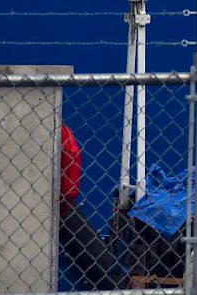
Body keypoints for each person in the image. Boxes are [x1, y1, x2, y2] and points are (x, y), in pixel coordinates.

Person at [59, 125, 127, 291]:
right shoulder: (61, 133)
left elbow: (69, 189)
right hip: (62, 206)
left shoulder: (60, 133)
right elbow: (69, 188)